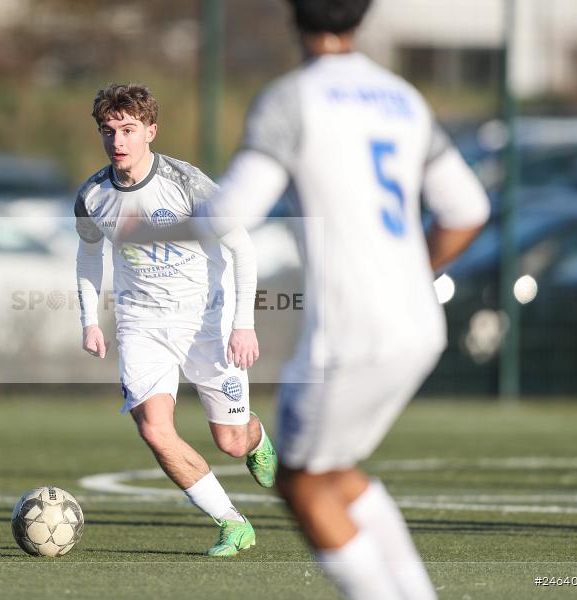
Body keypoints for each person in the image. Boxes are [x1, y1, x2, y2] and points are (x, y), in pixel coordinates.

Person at [119, 1, 490, 596]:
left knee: (302, 482)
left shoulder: (292, 98)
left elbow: (233, 211)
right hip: (420, 325)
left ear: (294, 19)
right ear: (362, 18)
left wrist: (151, 231)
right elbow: (468, 210)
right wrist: (410, 275)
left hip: (351, 330)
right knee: (333, 472)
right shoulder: (403, 99)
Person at [74, 83, 278, 557]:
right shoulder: (93, 196)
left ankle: (255, 438)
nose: (117, 141)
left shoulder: (187, 183)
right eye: (108, 130)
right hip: (141, 325)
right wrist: (90, 320)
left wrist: (243, 324)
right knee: (154, 429)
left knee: (231, 442)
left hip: (208, 322)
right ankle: (232, 522)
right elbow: (87, 255)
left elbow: (242, 248)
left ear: (151, 131)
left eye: (128, 130)